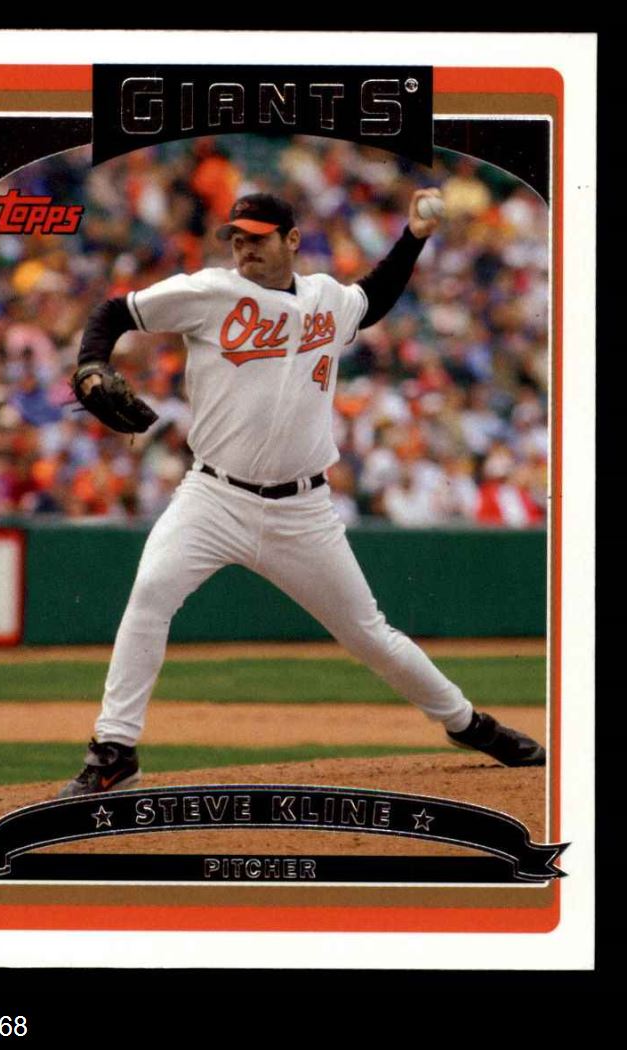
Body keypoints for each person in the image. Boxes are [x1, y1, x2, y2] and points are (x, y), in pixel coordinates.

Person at [58, 190, 545, 798]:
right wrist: (91, 363)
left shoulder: (326, 299)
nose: (245, 248)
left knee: (368, 634)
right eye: (238, 238)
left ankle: (469, 724)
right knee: (151, 593)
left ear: (291, 239)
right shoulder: (210, 292)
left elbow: (373, 298)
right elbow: (114, 311)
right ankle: (114, 750)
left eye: (258, 237)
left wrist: (413, 237)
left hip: (303, 511)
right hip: (213, 498)